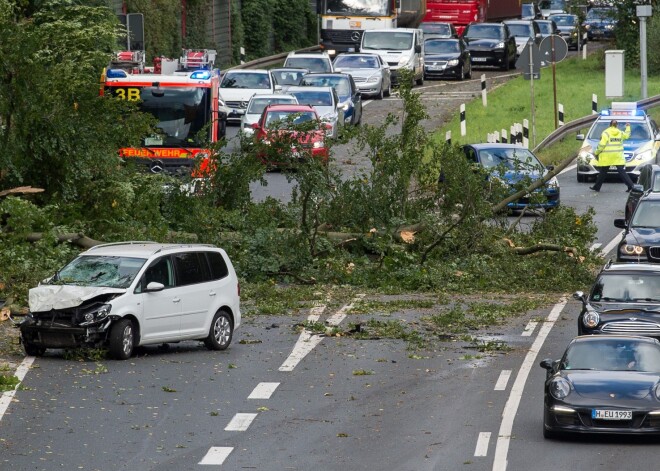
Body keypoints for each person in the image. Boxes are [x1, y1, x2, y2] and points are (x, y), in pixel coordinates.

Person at [590, 119, 635, 192]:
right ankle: (631, 186)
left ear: (610, 125)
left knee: (603, 172)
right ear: (617, 125)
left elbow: (602, 144)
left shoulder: (605, 133)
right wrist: (628, 127)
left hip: (607, 156)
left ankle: (597, 187)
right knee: (622, 172)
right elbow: (627, 136)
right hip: (617, 156)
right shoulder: (620, 133)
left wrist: (596, 152)